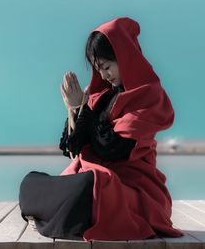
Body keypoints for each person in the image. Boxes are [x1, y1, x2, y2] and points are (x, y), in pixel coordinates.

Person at [18, 17, 184, 241]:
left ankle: (51, 217)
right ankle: (61, 216)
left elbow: (111, 148)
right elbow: (72, 148)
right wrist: (73, 109)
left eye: (106, 66)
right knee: (31, 182)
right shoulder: (101, 97)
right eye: (98, 69)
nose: (104, 75)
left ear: (125, 57)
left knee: (89, 184)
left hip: (132, 191)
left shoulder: (149, 96)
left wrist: (83, 109)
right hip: (96, 181)